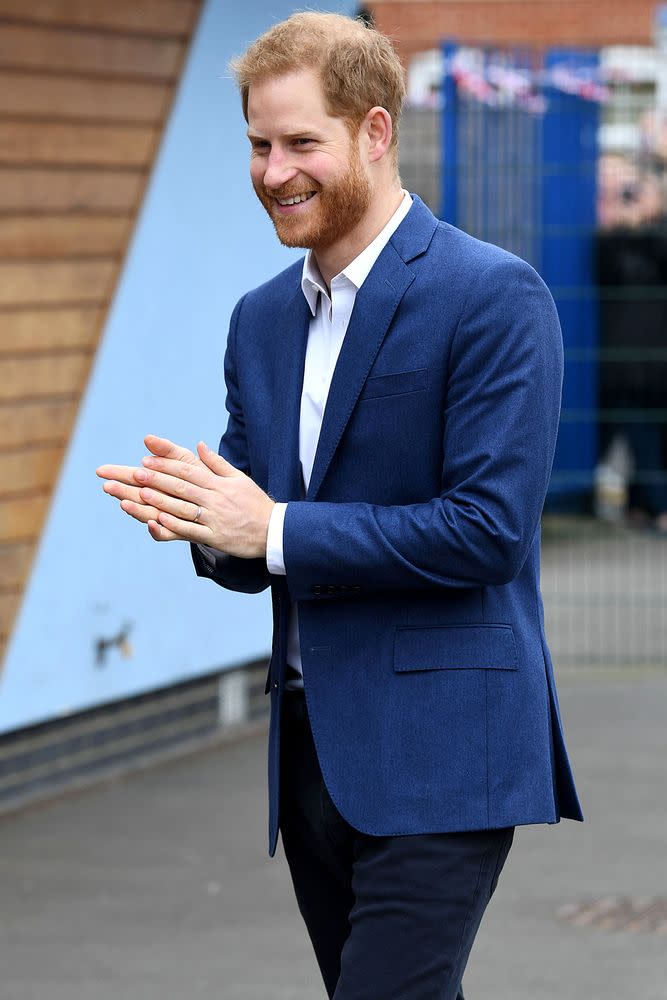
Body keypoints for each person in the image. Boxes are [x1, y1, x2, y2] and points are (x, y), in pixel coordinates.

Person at [97, 13, 582, 998]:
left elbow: (486, 531)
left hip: (445, 748)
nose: (274, 171)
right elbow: (251, 533)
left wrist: (263, 527)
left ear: (373, 131)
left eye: (300, 142)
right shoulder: (259, 319)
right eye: (258, 145)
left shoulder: (492, 296)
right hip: (313, 757)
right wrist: (201, 519)